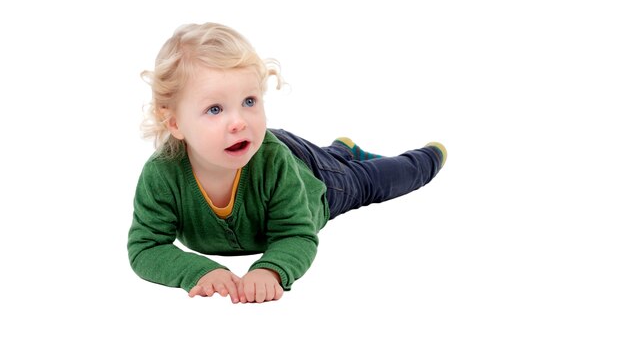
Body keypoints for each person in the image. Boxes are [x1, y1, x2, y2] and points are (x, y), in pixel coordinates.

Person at [127, 22, 447, 304]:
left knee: (365, 182)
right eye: (215, 109)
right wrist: (198, 271)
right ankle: (341, 149)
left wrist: (269, 271)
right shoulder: (161, 175)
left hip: (312, 177)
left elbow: (296, 235)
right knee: (335, 158)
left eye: (249, 101)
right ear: (175, 124)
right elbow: (146, 247)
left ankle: (425, 160)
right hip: (265, 149)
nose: (238, 121)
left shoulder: (274, 163)